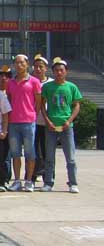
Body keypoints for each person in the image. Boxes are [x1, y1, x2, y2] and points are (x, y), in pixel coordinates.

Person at [40, 58, 82, 193]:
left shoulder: (72, 87)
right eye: (56, 70)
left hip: (66, 126)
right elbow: (42, 105)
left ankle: (73, 183)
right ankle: (48, 182)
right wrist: (47, 121)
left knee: (71, 158)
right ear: (53, 72)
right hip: (51, 126)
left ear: (66, 71)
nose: (59, 73)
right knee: (49, 157)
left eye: (61, 70)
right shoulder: (47, 87)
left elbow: (77, 105)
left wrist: (69, 120)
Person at [6, 54, 42, 192]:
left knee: (30, 153)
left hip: (28, 122)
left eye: (21, 62)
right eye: (16, 62)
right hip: (13, 122)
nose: (19, 65)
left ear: (27, 64)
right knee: (15, 153)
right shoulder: (10, 82)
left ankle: (29, 180)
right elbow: (9, 100)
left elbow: (38, 102)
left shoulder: (34, 81)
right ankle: (17, 180)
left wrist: (33, 115)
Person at [32, 54, 53, 183]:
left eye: (41, 67)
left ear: (46, 68)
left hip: (48, 122)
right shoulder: (30, 81)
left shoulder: (51, 83)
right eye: (36, 67)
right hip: (33, 122)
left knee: (48, 151)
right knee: (34, 151)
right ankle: (32, 176)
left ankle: (49, 177)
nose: (38, 69)